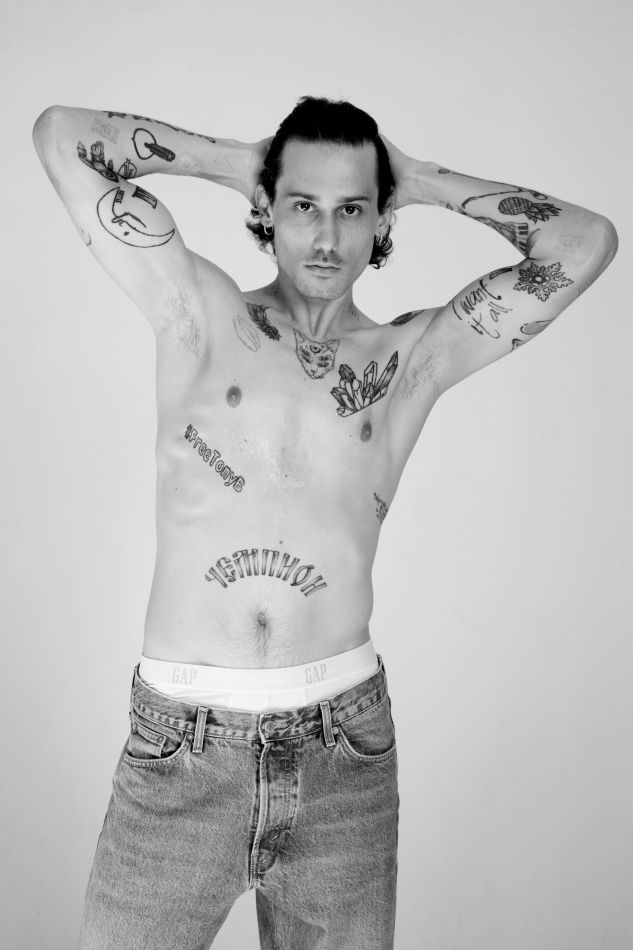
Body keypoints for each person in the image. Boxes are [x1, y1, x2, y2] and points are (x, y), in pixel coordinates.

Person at [32, 95, 617, 950]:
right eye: (303, 204)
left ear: (380, 220)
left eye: (351, 209)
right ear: (268, 209)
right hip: (181, 746)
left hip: (343, 751)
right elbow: (62, 137)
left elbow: (584, 242)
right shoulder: (199, 313)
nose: (326, 236)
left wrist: (417, 179)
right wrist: (240, 162)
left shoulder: (407, 359)